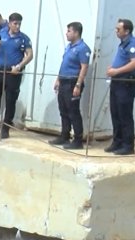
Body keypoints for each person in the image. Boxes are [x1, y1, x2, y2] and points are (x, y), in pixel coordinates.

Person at [49, 22, 91, 150]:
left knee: (73, 111)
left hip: (72, 82)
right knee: (63, 110)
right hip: (63, 81)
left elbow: (84, 67)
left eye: (69, 31)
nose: (66, 33)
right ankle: (64, 135)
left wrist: (78, 85)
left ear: (76, 33)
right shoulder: (69, 47)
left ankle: (78, 140)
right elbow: (64, 64)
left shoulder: (83, 48)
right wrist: (58, 79)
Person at [105, 18, 135, 155]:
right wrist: (112, 67)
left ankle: (128, 145)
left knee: (124, 115)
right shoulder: (122, 44)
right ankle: (117, 142)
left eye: (118, 29)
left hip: (126, 83)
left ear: (127, 31)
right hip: (117, 82)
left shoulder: (133, 43)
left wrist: (116, 71)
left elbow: (134, 62)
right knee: (115, 113)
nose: (116, 31)